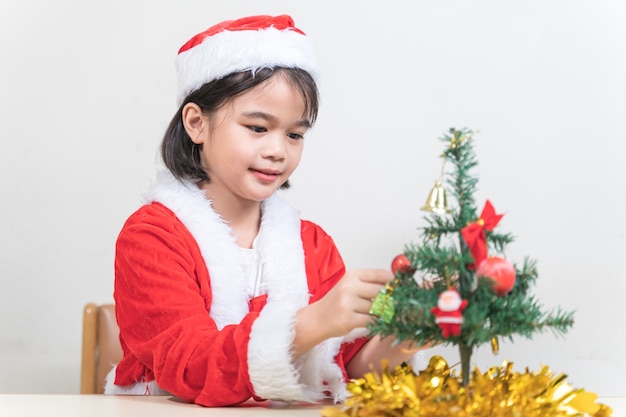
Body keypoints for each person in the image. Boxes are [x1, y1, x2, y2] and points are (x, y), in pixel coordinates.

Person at [105, 14, 429, 407]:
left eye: (295, 134)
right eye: (258, 128)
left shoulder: (312, 245)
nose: (279, 150)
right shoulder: (153, 237)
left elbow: (345, 370)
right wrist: (311, 323)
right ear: (196, 123)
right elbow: (191, 367)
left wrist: (402, 337)